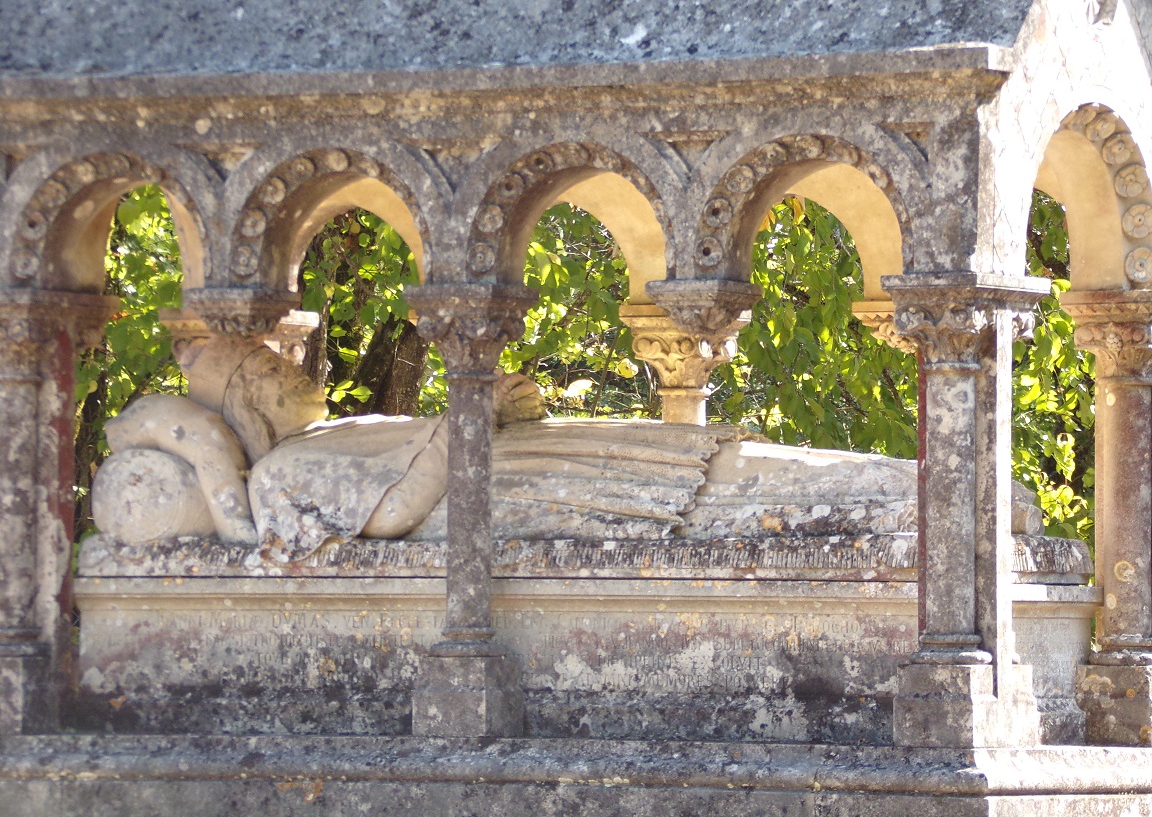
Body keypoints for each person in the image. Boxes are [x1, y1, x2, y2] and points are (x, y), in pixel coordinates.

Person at [92, 338, 1032, 562]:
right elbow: (392, 514)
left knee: (748, 468)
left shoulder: (322, 438)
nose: (285, 364)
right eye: (260, 370)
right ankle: (942, 500)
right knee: (739, 495)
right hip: (538, 492)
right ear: (240, 405)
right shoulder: (289, 472)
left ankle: (946, 493)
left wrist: (489, 410)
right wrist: (475, 414)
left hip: (548, 460)